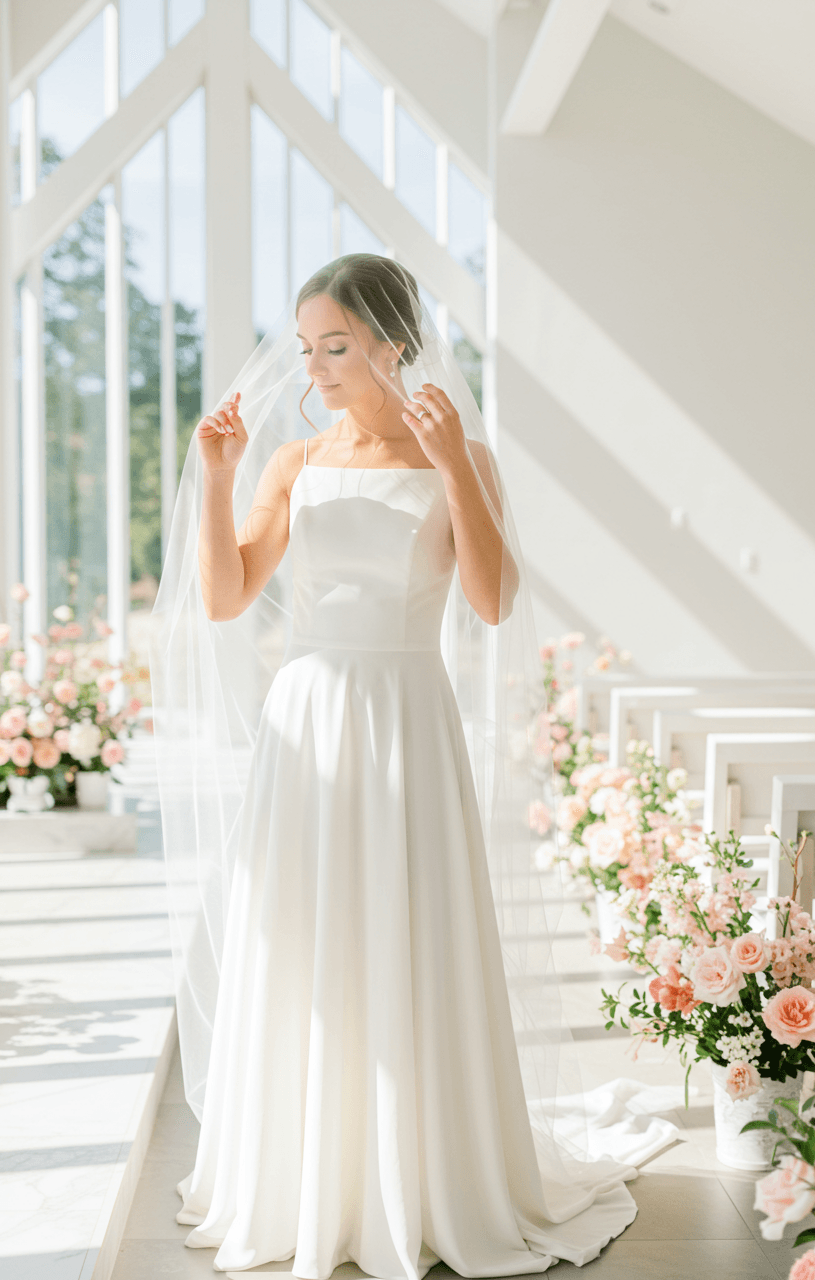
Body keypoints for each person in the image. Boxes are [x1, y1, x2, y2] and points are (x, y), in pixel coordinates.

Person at [152, 255, 641, 1277]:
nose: (314, 368)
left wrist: (454, 462)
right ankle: (308, 1177)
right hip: (307, 725)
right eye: (305, 348)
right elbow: (227, 595)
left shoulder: (456, 451)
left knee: (403, 931)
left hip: (407, 721)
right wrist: (217, 476)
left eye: (334, 345)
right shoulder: (293, 460)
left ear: (390, 343)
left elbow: (495, 600)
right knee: (304, 940)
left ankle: (419, 1172)